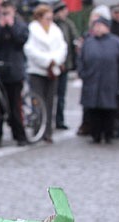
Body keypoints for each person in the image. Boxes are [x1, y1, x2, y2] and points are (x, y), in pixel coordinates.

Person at [78, 15, 119, 144]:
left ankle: (108, 134)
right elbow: (80, 61)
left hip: (110, 82)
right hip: (92, 82)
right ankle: (95, 134)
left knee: (109, 111)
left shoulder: (116, 42)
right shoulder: (89, 42)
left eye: (99, 26)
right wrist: (83, 74)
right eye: (95, 26)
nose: (97, 29)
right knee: (93, 110)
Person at [0, 0, 29, 146]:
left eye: (8, 12)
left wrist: (11, 26)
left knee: (15, 105)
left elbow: (21, 39)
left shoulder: (20, 24)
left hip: (14, 69)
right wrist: (1, 27)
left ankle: (20, 135)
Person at [23, 3, 67, 143]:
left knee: (50, 101)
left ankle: (48, 131)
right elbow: (30, 50)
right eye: (47, 18)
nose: (49, 20)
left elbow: (62, 47)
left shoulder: (56, 30)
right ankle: (38, 129)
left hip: (52, 71)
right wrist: (47, 61)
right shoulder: (32, 29)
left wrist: (55, 60)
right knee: (37, 100)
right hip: (37, 70)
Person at [52, 1, 78, 130]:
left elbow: (73, 41)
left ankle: (59, 119)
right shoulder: (52, 25)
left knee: (61, 95)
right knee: (51, 94)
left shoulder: (68, 24)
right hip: (52, 64)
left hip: (65, 65)